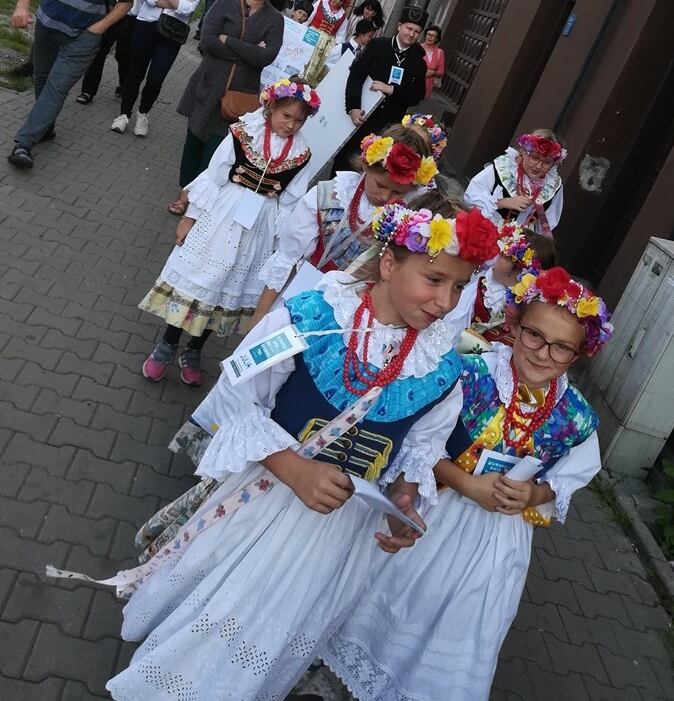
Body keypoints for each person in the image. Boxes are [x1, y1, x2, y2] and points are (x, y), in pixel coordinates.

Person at [100, 196, 501, 700]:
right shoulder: (313, 315)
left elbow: (421, 447)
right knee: (225, 615)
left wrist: (404, 503)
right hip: (264, 506)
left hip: (340, 536)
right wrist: (293, 467)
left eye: (459, 286)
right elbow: (236, 395)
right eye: (434, 278)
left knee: (277, 631)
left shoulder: (442, 363)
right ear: (388, 261)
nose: (445, 302)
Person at [318, 267, 613, 701]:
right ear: (513, 325)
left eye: (561, 347)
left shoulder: (577, 415)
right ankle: (337, 680)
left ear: (579, 354)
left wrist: (536, 493)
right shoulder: (467, 373)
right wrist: (464, 482)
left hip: (495, 541)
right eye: (534, 335)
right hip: (431, 509)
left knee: (460, 618)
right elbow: (418, 441)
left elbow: (572, 474)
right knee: (393, 592)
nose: (543, 353)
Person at [139, 78, 320, 389]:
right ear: (271, 107)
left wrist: (282, 245)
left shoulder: (302, 154)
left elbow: (290, 202)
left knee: (227, 290)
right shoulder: (242, 133)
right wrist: (190, 217)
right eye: (286, 115)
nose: (291, 124)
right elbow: (214, 177)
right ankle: (168, 343)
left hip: (260, 226)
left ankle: (194, 350)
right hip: (223, 214)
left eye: (299, 119)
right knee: (200, 280)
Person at [248, 122, 437, 325]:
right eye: (380, 185)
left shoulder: (411, 222)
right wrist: (261, 315)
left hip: (356, 316)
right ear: (365, 165)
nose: (386, 196)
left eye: (398, 192)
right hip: (303, 296)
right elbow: (288, 256)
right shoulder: (329, 196)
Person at [7, 0, 135, 169]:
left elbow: (126, 1)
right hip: (48, 25)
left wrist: (98, 28)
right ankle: (45, 126)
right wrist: (21, 7)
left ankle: (23, 144)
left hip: (83, 38)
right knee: (42, 80)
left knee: (56, 88)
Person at [166, 0, 285, 217]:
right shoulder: (225, 3)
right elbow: (207, 41)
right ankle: (185, 190)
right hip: (208, 84)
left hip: (240, 97)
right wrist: (250, 51)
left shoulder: (275, 20)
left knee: (218, 150)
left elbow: (266, 57)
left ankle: (195, 200)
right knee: (194, 142)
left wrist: (228, 40)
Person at [111, 0, 205, 137]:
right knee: (135, 72)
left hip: (172, 33)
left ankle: (143, 113)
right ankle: (123, 115)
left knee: (156, 78)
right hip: (146, 25)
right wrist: (174, 1)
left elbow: (188, 9)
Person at [332, 5, 429, 172]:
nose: (411, 34)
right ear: (399, 26)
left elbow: (416, 96)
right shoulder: (378, 45)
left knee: (374, 169)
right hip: (362, 117)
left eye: (416, 31)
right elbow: (356, 75)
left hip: (388, 127)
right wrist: (353, 107)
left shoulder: (418, 62)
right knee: (344, 164)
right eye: (408, 28)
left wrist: (391, 89)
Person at [466, 128, 567, 232]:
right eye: (535, 158)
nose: (538, 166)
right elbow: (471, 197)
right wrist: (503, 202)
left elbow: (548, 223)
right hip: (485, 231)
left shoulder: (552, 185)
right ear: (523, 152)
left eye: (546, 162)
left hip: (519, 243)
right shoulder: (503, 168)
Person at [302, 0, 350, 86]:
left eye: (341, 1)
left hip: (327, 46)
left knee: (318, 67)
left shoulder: (343, 16)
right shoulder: (320, 4)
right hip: (312, 36)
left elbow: (340, 36)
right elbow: (309, 19)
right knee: (304, 60)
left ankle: (308, 87)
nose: (338, 2)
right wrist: (301, 32)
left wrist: (335, 51)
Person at [421, 23, 445, 99]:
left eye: (433, 36)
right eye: (429, 34)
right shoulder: (417, 48)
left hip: (426, 88)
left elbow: (441, 72)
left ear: (437, 39)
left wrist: (432, 72)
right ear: (425, 35)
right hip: (411, 84)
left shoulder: (439, 53)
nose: (430, 37)